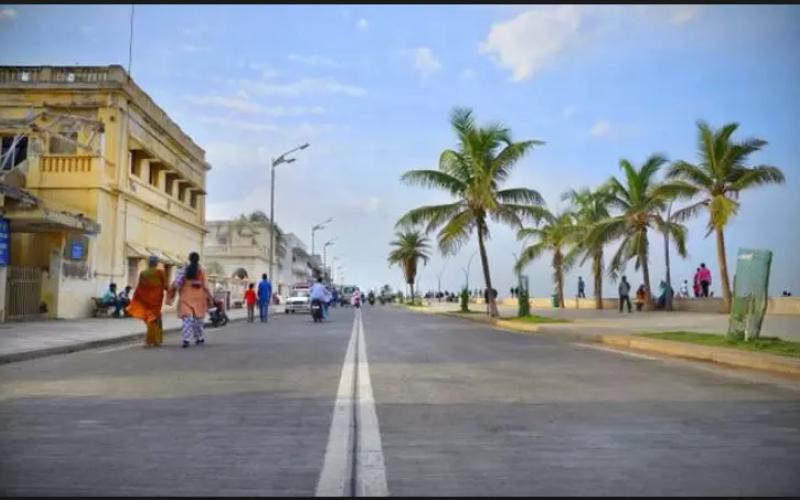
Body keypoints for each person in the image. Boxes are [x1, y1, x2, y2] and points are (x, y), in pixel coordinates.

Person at [167, 252, 212, 348]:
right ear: (198, 259)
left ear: (189, 259)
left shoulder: (184, 269)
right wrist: (210, 297)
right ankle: (199, 338)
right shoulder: (202, 270)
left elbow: (177, 283)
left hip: (186, 297)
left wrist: (172, 292)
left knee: (187, 319)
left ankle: (186, 339)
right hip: (199, 298)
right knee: (198, 320)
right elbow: (206, 286)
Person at [127, 256, 168, 347]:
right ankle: (155, 340)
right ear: (156, 263)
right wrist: (170, 292)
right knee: (155, 318)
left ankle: (152, 340)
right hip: (156, 299)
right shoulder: (160, 273)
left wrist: (137, 298)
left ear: (148, 263)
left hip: (146, 299)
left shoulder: (143, 273)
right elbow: (165, 285)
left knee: (151, 318)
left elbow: (140, 287)